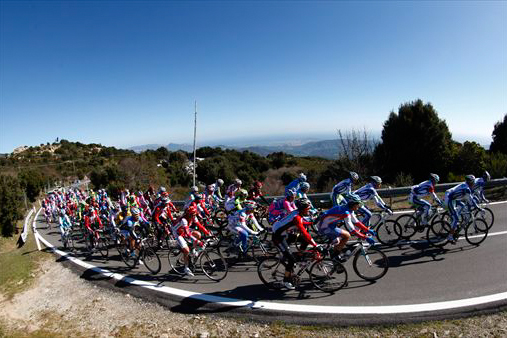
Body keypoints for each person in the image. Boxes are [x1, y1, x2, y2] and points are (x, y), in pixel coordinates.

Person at [272, 198, 321, 290]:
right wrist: (315, 245)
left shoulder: (298, 213)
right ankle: (285, 281)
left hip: (285, 233)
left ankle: (299, 255)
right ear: (302, 208)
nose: (309, 210)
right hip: (278, 237)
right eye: (307, 208)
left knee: (305, 241)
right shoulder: (296, 217)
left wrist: (312, 222)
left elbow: (302, 222)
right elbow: (304, 232)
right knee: (291, 259)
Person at [316, 194, 376, 261]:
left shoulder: (349, 209)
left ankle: (334, 256)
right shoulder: (346, 212)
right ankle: (334, 257)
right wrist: (365, 238)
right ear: (353, 204)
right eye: (358, 204)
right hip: (324, 227)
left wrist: (368, 230)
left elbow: (357, 222)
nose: (359, 206)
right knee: (346, 235)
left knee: (339, 241)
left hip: (328, 225)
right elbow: (352, 230)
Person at [444, 175, 483, 244]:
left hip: (452, 198)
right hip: (449, 199)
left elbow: (468, 198)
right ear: (471, 182)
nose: (474, 183)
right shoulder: (467, 189)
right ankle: (450, 236)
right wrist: (477, 207)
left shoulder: (465, 185)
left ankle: (456, 219)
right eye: (473, 182)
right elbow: (470, 199)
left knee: (462, 205)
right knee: (455, 219)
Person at [171, 206, 204, 276]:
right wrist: (197, 241)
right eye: (192, 215)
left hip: (184, 230)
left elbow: (200, 226)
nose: (194, 216)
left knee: (198, 234)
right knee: (186, 250)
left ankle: (193, 250)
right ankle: (186, 268)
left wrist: (209, 233)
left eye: (195, 214)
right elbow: (188, 234)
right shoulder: (184, 220)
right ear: (188, 214)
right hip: (178, 233)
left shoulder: (193, 216)